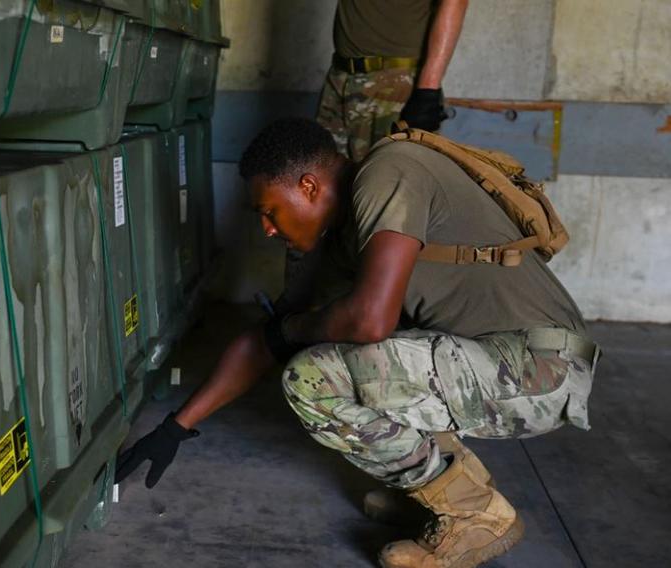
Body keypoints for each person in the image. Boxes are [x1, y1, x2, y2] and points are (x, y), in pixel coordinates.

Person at [115, 118, 599, 568]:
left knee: (314, 376)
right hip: (501, 360)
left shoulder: (389, 172)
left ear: (308, 186)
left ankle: (474, 515)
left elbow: (369, 321)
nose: (267, 229)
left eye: (269, 212)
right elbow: (268, 339)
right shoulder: (343, 235)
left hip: (542, 367)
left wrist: (298, 331)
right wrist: (176, 427)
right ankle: (443, 491)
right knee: (330, 346)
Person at [318, 0, 469, 163]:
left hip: (393, 85)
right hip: (340, 76)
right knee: (326, 175)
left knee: (388, 178)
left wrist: (428, 89)